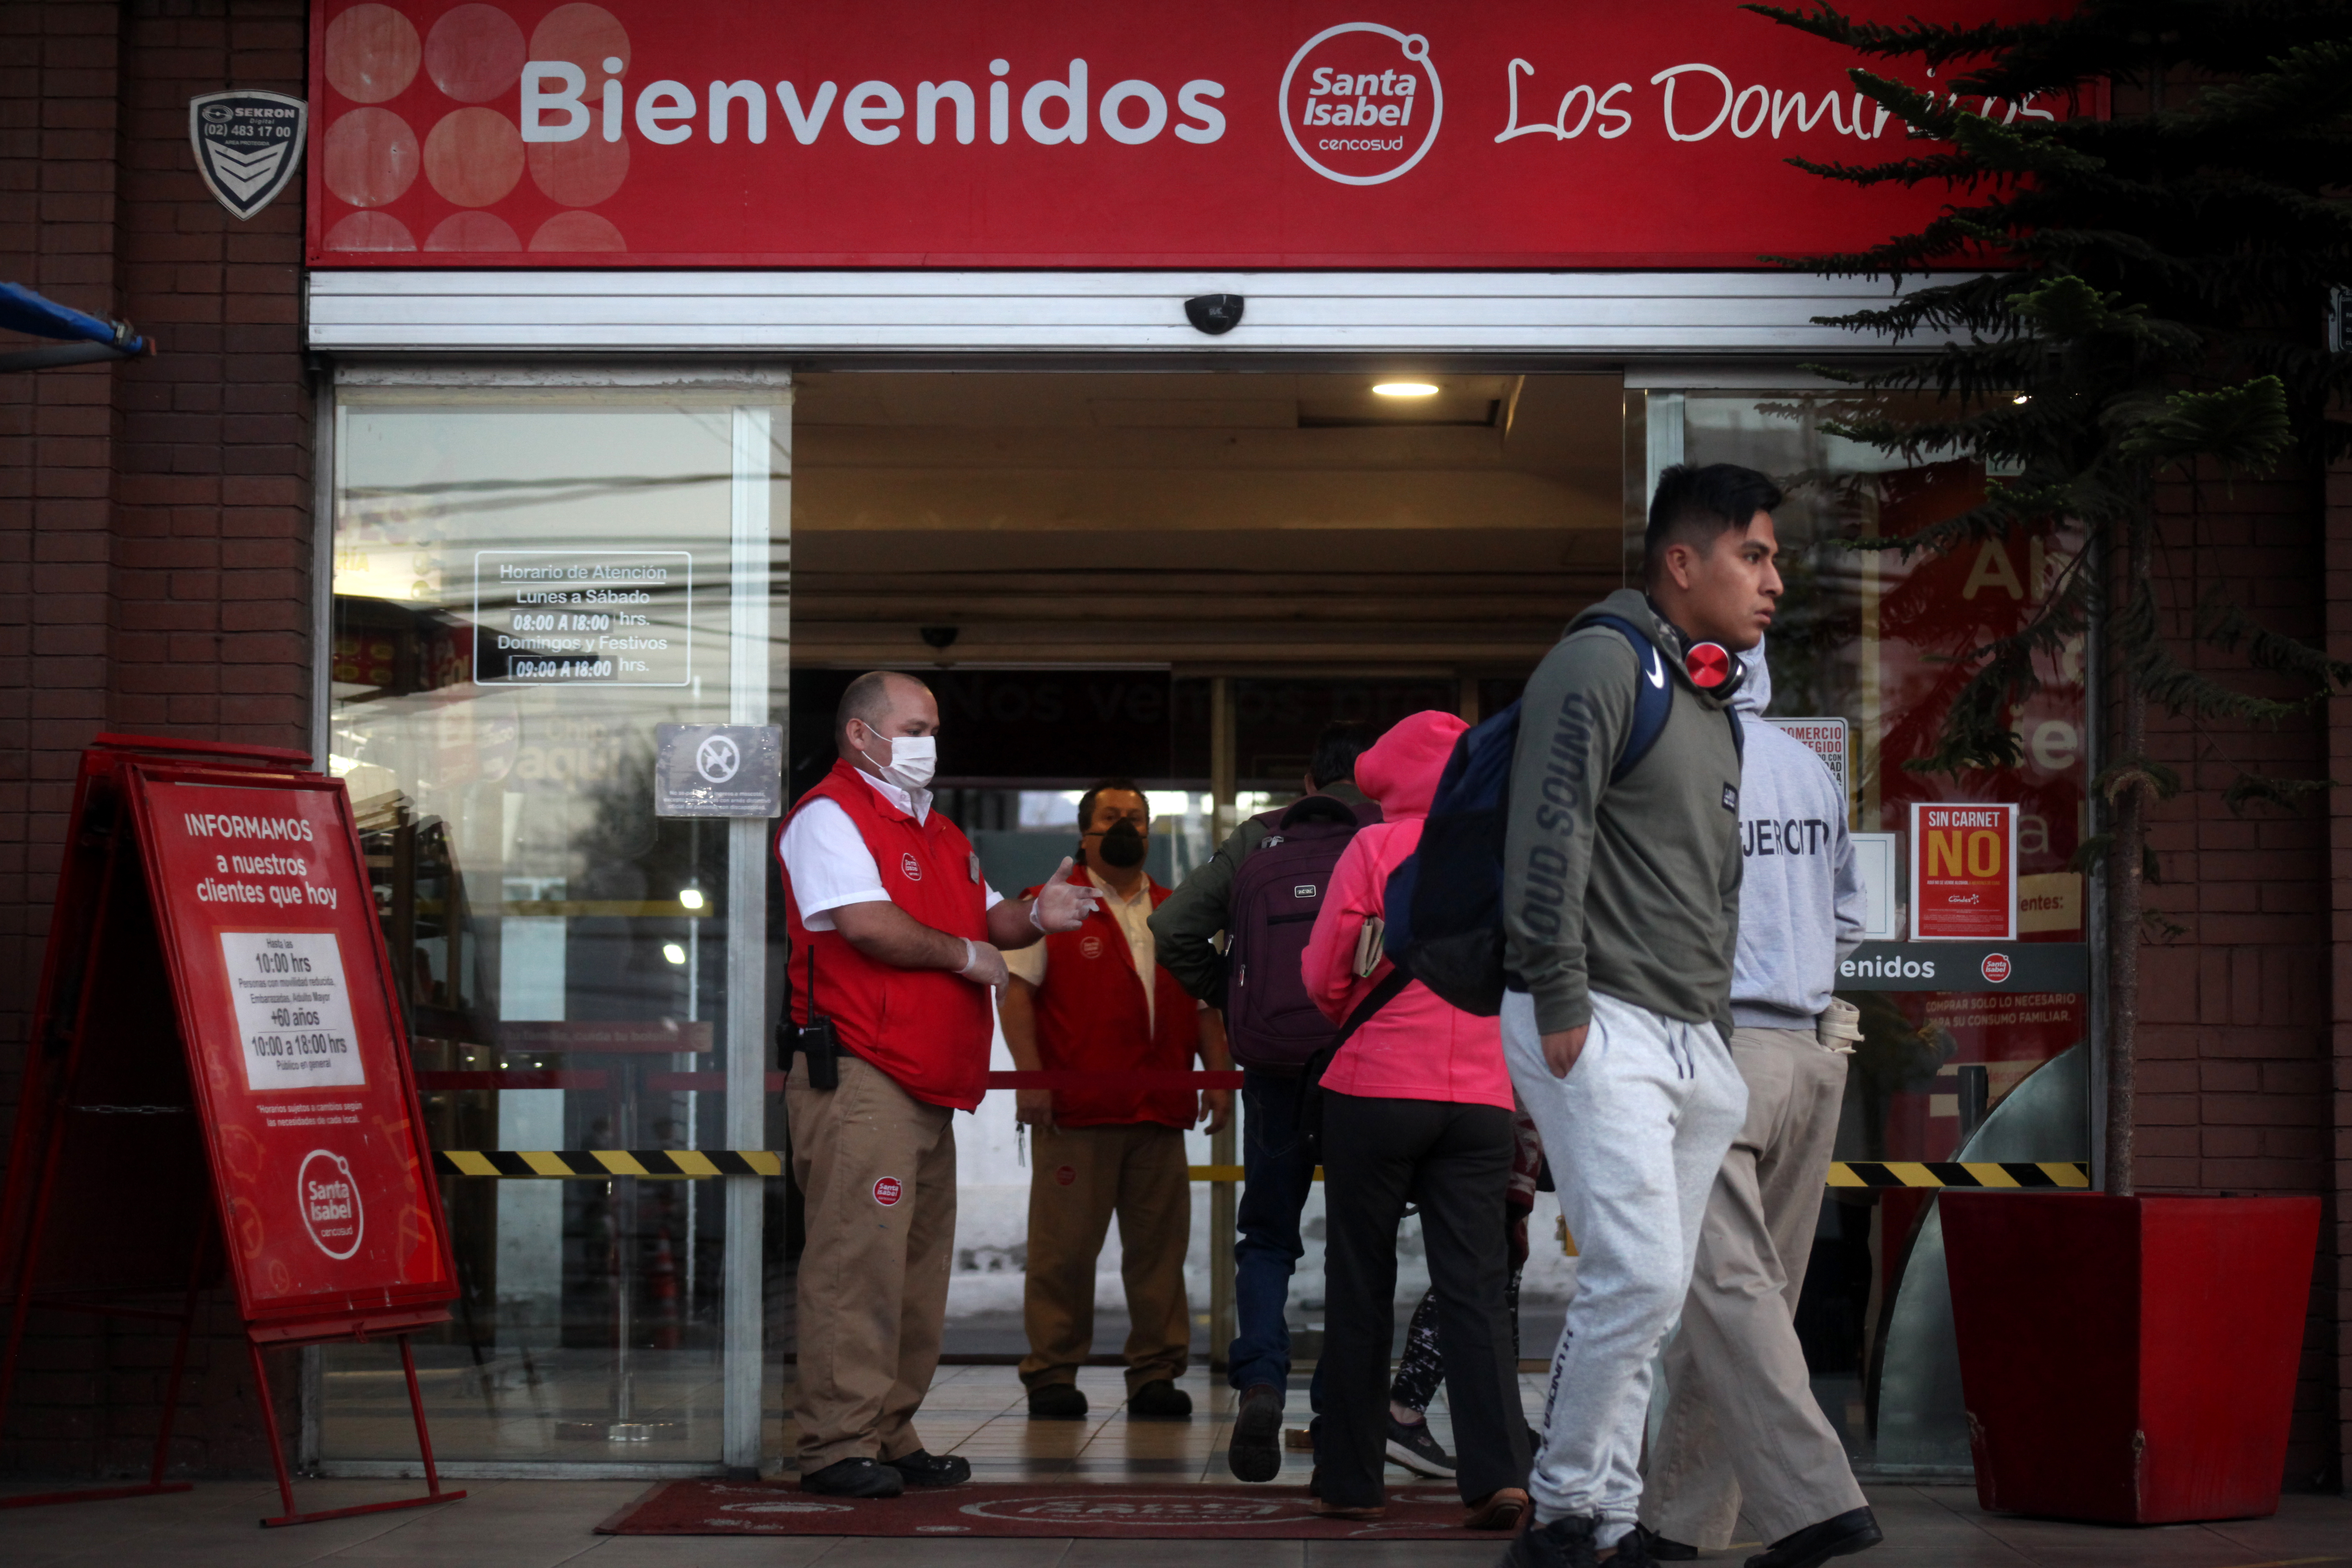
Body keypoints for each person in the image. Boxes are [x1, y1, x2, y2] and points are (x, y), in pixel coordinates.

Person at [1499, 463, 1782, 1568]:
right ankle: (1564, 1510)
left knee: (1652, 1301)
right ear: (1683, 563)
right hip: (1596, 1015)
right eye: (1752, 556)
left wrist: (1711, 1027)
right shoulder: (1599, 661)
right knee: (1641, 1279)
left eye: (1773, 561)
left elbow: (1715, 882)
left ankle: (1608, 1518)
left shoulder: (1711, 704)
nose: (1772, 582)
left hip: (1686, 1038)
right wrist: (1559, 991)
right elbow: (1550, 827)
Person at [778, 670, 1101, 1499]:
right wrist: (969, 957)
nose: (930, 744)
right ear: (863, 736)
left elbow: (986, 914)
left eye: (933, 730)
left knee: (914, 1270)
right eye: (915, 728)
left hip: (929, 1082)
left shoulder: (940, 831)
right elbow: (869, 923)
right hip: (861, 1073)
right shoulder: (829, 817)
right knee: (856, 1265)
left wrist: (1036, 914)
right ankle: (832, 1443)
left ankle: (888, 1431)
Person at [1635, 640, 1883, 1568]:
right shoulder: (1807, 771)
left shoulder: (1671, 763)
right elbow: (1847, 914)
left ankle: (1821, 1503)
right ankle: (1677, 1524)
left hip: (1714, 1046)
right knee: (1742, 1304)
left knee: (1730, 1291)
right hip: (1812, 1055)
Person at [1300, 711, 1531, 1529]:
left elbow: (1327, 969)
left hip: (1375, 1091)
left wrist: (1345, 1008)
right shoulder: (1506, 849)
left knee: (1361, 1282)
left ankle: (1352, 1480)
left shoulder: (1372, 848)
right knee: (1474, 1288)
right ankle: (1500, 1474)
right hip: (1481, 1096)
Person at [1148, 721, 1375, 1481]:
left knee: (1269, 1236)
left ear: (1309, 786)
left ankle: (1262, 1383)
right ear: (1369, 782)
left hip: (1278, 1067)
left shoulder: (1260, 837)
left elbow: (1173, 926)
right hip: (1369, 1065)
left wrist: (1232, 997)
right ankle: (1345, 1404)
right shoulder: (1393, 834)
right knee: (1360, 1238)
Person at [1001, 777, 1234, 1421]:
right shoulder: (1049, 906)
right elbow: (1015, 995)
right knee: (1063, 1253)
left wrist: (1218, 1077)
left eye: (1136, 815)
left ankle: (1156, 1375)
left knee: (1160, 1255)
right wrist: (1033, 1080)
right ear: (1085, 833)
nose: (1126, 824)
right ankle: (1051, 1373)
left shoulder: (1179, 909)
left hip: (1160, 1110)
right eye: (1111, 816)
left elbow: (1208, 1007)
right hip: (1074, 1110)